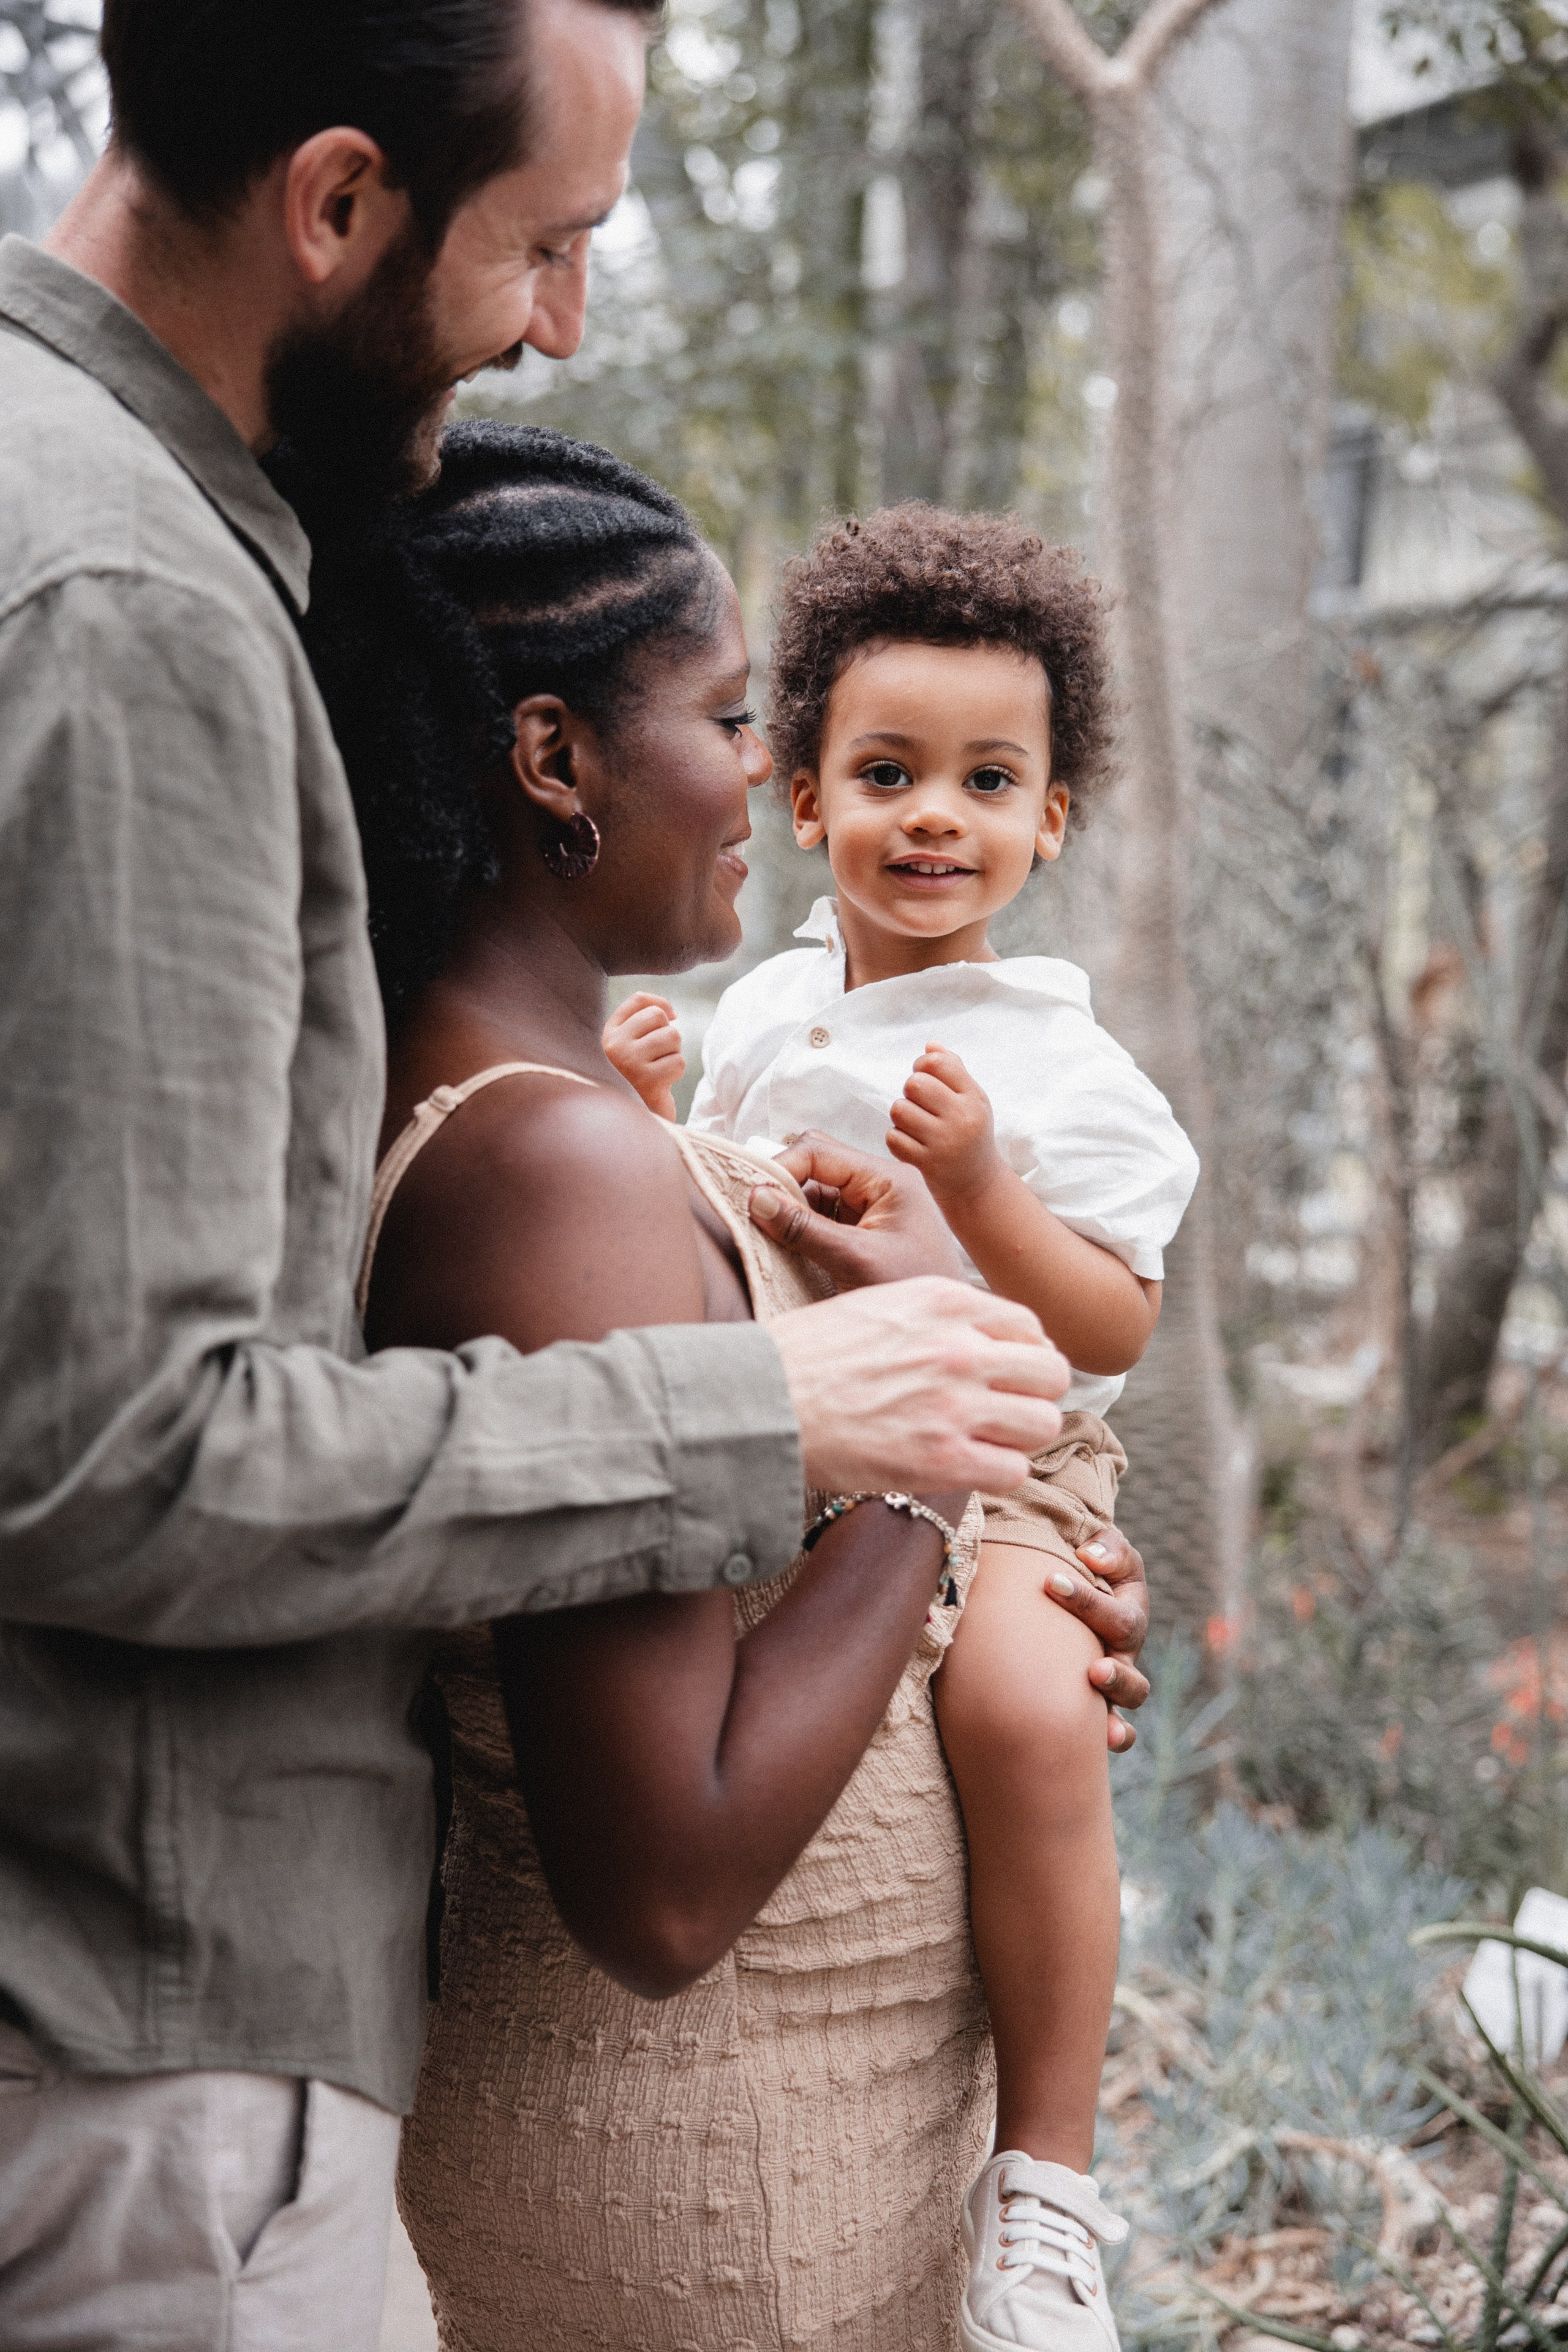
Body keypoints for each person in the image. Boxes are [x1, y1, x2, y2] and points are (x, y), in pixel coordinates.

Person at [0, 12, 1088, 2345]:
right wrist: (863, 1453)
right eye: (552, 244)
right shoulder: (129, 609)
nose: (562, 325)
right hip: (154, 2046)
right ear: (338, 202)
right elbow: (116, 1448)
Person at [298, 420, 1157, 2351]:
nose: (762, 770)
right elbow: (664, 1879)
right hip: (730, 2185)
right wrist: (937, 1461)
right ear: (552, 762)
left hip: (781, 2138)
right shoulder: (559, 1161)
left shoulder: (564, 1120)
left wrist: (989, 1579)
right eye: (721, 710)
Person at [611, 504, 1199, 2352]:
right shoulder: (774, 1009)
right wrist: (631, 1109)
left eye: (986, 779)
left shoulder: (1060, 1065)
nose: (935, 814)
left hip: (1010, 1449)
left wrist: (991, 1192)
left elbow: (1114, 1320)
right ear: (804, 803)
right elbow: (709, 1216)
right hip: (810, 1441)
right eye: (888, 772)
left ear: (1051, 820)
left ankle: (1046, 2194)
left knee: (1029, 1705)